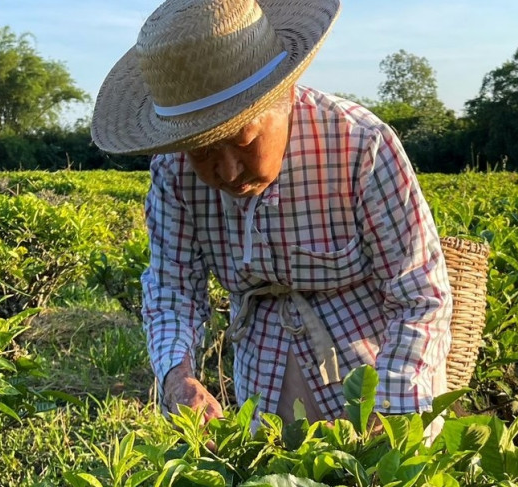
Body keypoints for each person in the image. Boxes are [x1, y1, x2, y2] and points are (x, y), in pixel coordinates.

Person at [91, 0, 452, 431]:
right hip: (261, 381)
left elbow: (419, 295)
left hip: (379, 379)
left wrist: (390, 415)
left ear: (284, 97)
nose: (227, 171)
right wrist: (177, 377)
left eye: (245, 140)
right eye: (202, 151)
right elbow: (173, 288)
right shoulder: (172, 172)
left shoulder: (360, 145)